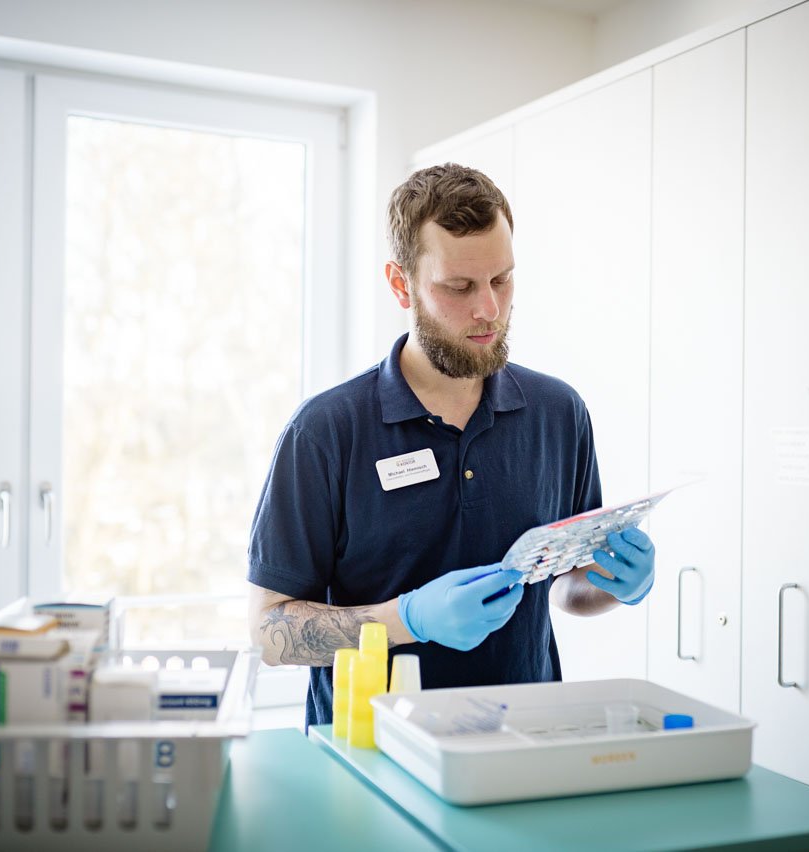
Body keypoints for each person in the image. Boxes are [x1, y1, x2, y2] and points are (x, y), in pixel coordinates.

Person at [246, 163, 656, 728]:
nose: (488, 309)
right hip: (371, 750)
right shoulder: (325, 432)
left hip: (522, 739)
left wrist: (614, 584)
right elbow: (268, 631)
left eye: (501, 280)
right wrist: (407, 619)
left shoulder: (559, 413)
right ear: (401, 284)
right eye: (459, 287)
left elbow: (565, 586)